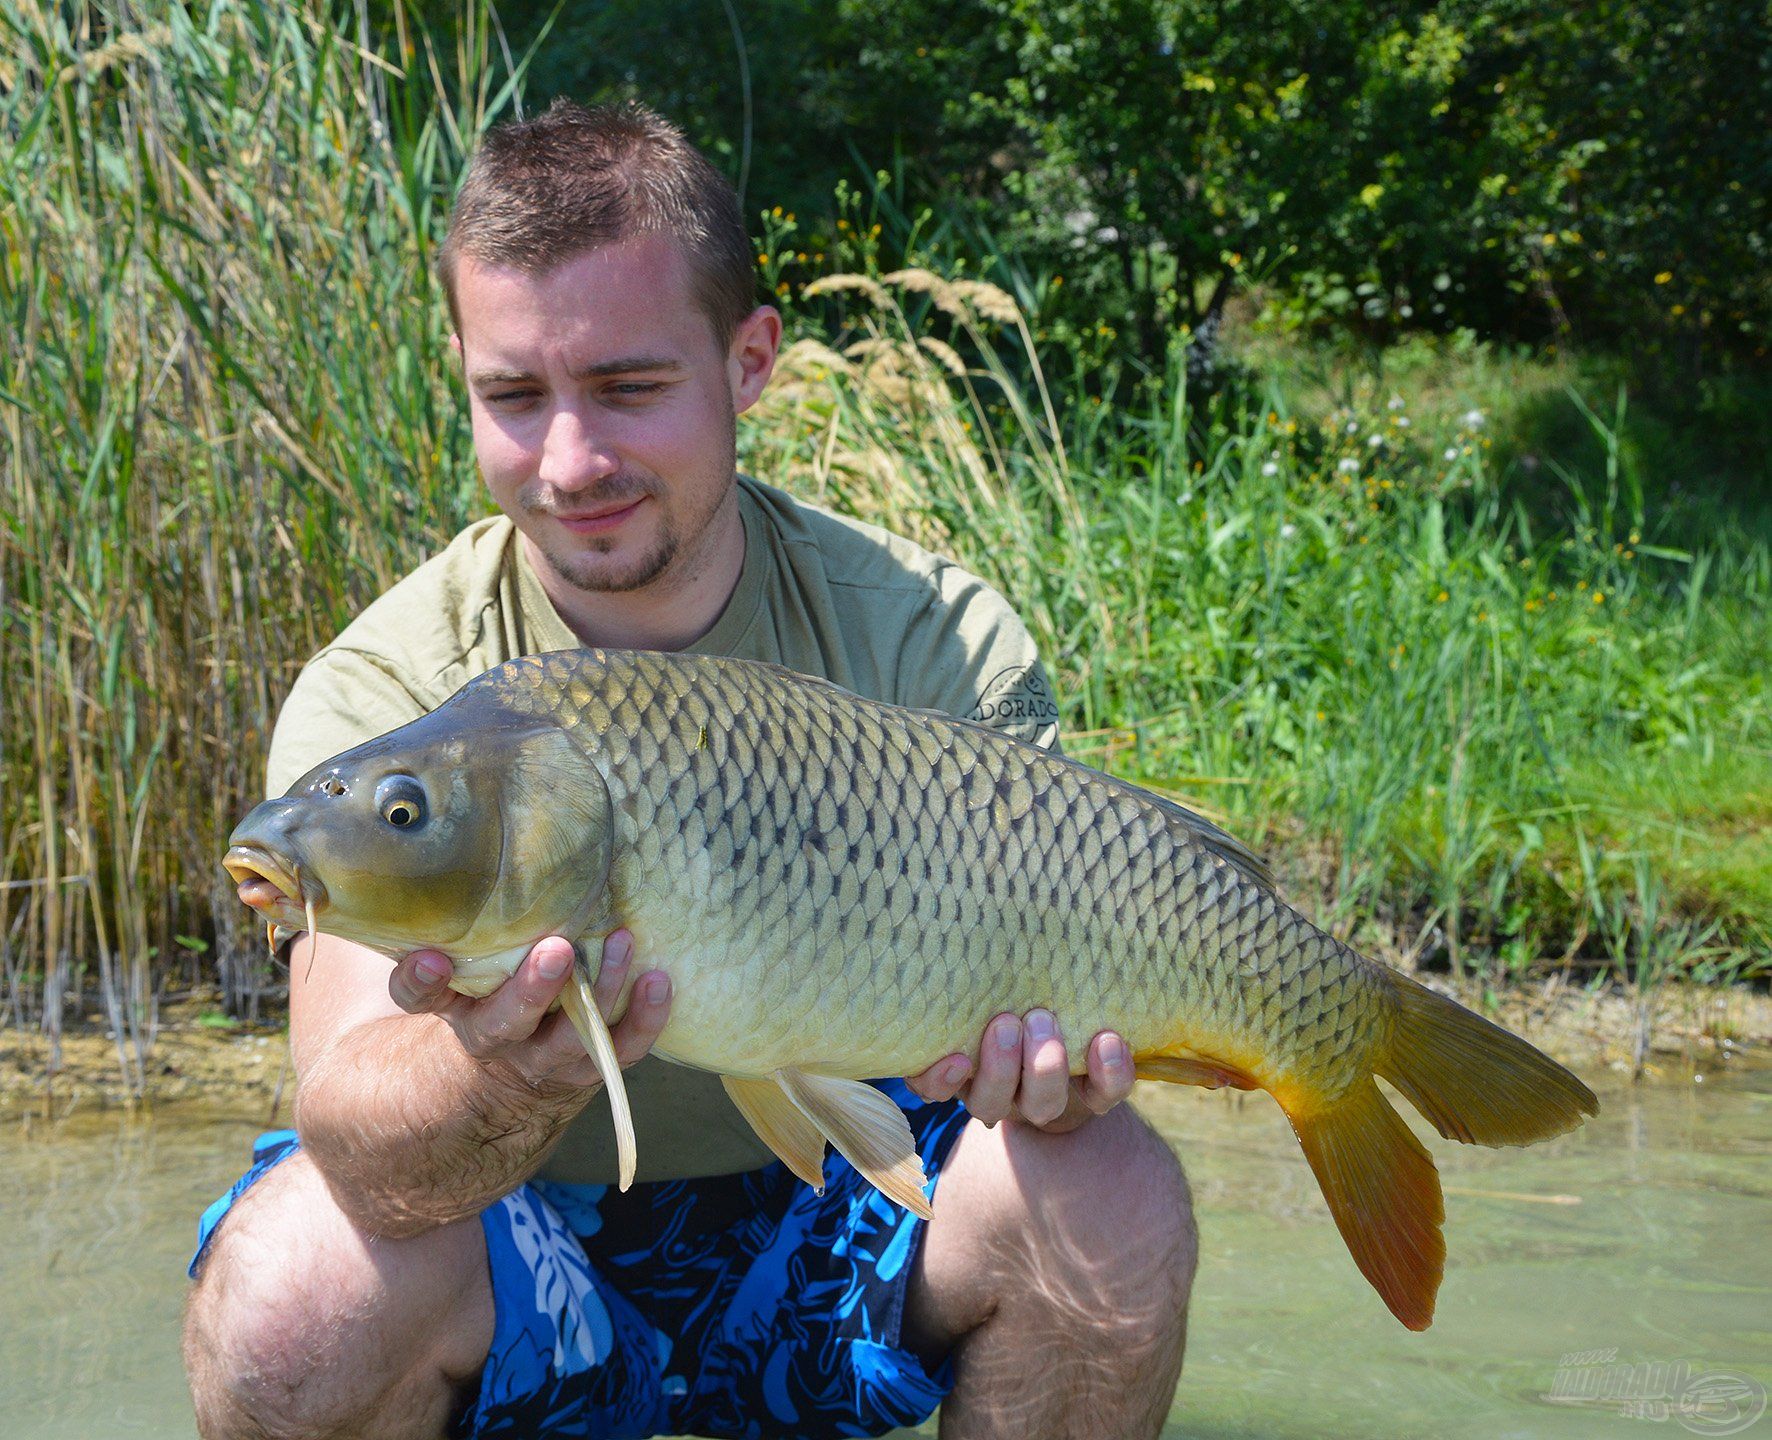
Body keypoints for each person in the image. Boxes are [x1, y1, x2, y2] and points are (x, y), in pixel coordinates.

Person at [182, 99, 1196, 1440]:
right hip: (515, 1243)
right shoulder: (396, 689)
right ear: (464, 377)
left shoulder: (927, 640)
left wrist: (1053, 1066)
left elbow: (1063, 1007)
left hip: (844, 1212)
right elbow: (359, 1142)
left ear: (751, 358)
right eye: (512, 396)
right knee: (290, 1294)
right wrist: (498, 1075)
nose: (570, 461)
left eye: (629, 387)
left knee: (1110, 1190)